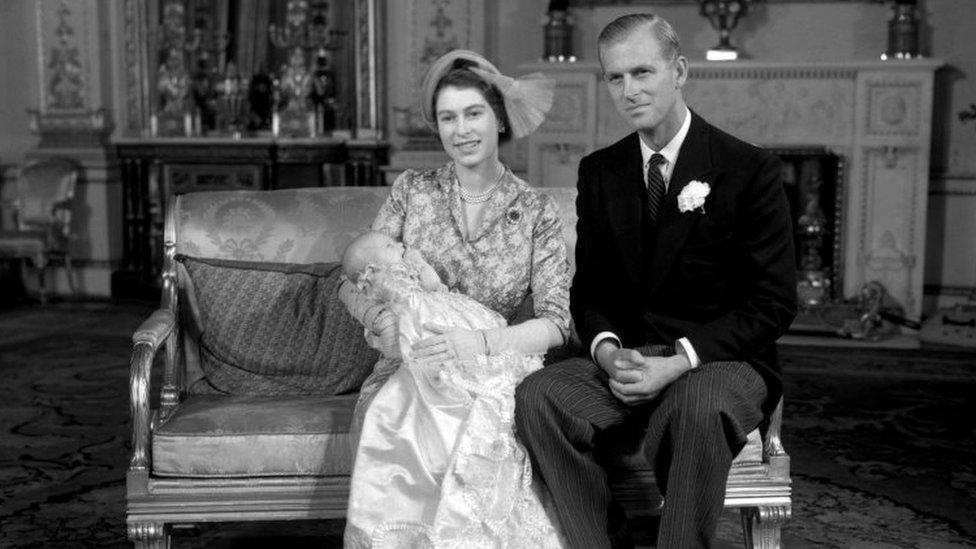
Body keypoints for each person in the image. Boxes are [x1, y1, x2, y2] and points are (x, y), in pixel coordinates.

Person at [514, 13, 798, 548]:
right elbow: (589, 289)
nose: (629, 90)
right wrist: (605, 350)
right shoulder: (601, 171)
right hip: (631, 357)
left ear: (680, 71)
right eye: (615, 78)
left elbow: (773, 303)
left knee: (695, 408)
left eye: (642, 72)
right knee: (538, 397)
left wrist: (681, 359)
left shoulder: (748, 168)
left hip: (719, 360)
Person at [339, 49, 569, 548]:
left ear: (499, 118)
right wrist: (378, 315)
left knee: (486, 429)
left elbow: (555, 323)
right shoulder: (412, 190)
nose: (461, 130)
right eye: (448, 117)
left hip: (491, 370)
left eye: (473, 114)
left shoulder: (535, 211)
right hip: (409, 366)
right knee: (396, 418)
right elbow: (354, 279)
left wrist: (479, 343)